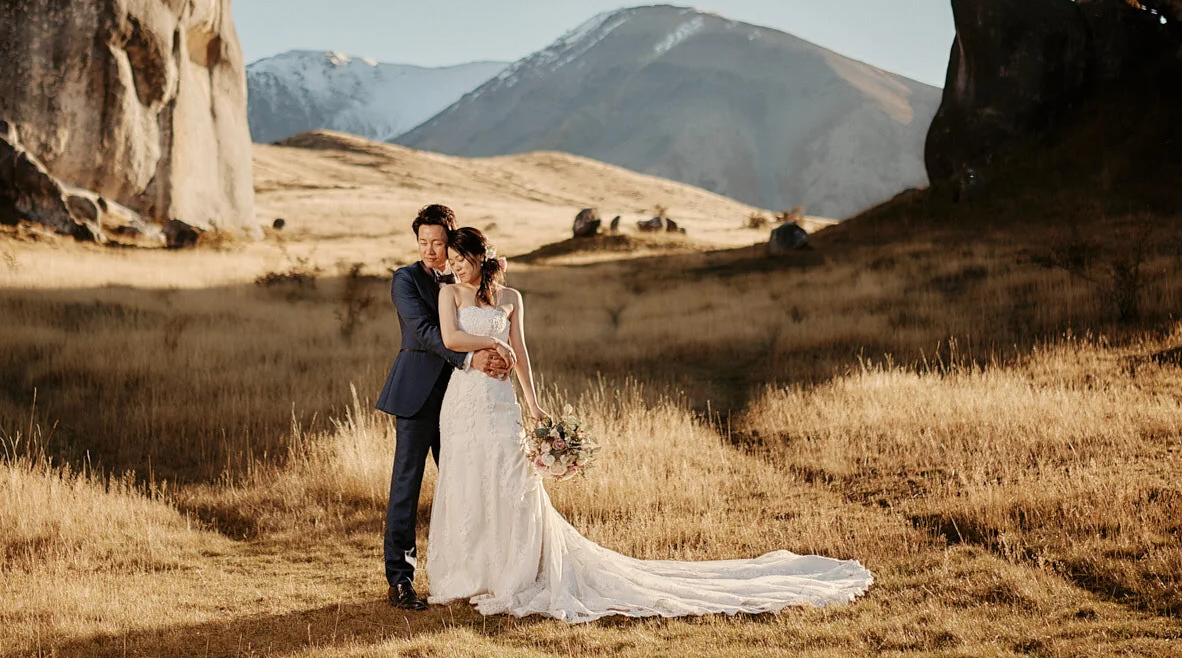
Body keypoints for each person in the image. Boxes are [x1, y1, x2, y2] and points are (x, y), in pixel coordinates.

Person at [425, 225, 875, 622]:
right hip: (463, 400)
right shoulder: (449, 293)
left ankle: (515, 571)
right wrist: (492, 342)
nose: (458, 267)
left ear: (482, 259)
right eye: (455, 260)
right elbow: (450, 338)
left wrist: (535, 404)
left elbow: (522, 353)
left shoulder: (511, 298)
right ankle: (470, 573)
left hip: (502, 404)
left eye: (465, 260)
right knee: (467, 479)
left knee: (511, 480)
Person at [374, 203, 512, 611]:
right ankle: (400, 581)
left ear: (451, 242)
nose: (430, 251)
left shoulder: (467, 277)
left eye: (438, 243)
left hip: (464, 401)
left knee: (468, 485)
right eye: (423, 242)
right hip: (418, 397)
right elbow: (427, 332)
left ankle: (475, 573)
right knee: (406, 487)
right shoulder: (406, 280)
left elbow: (492, 317)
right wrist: (474, 357)